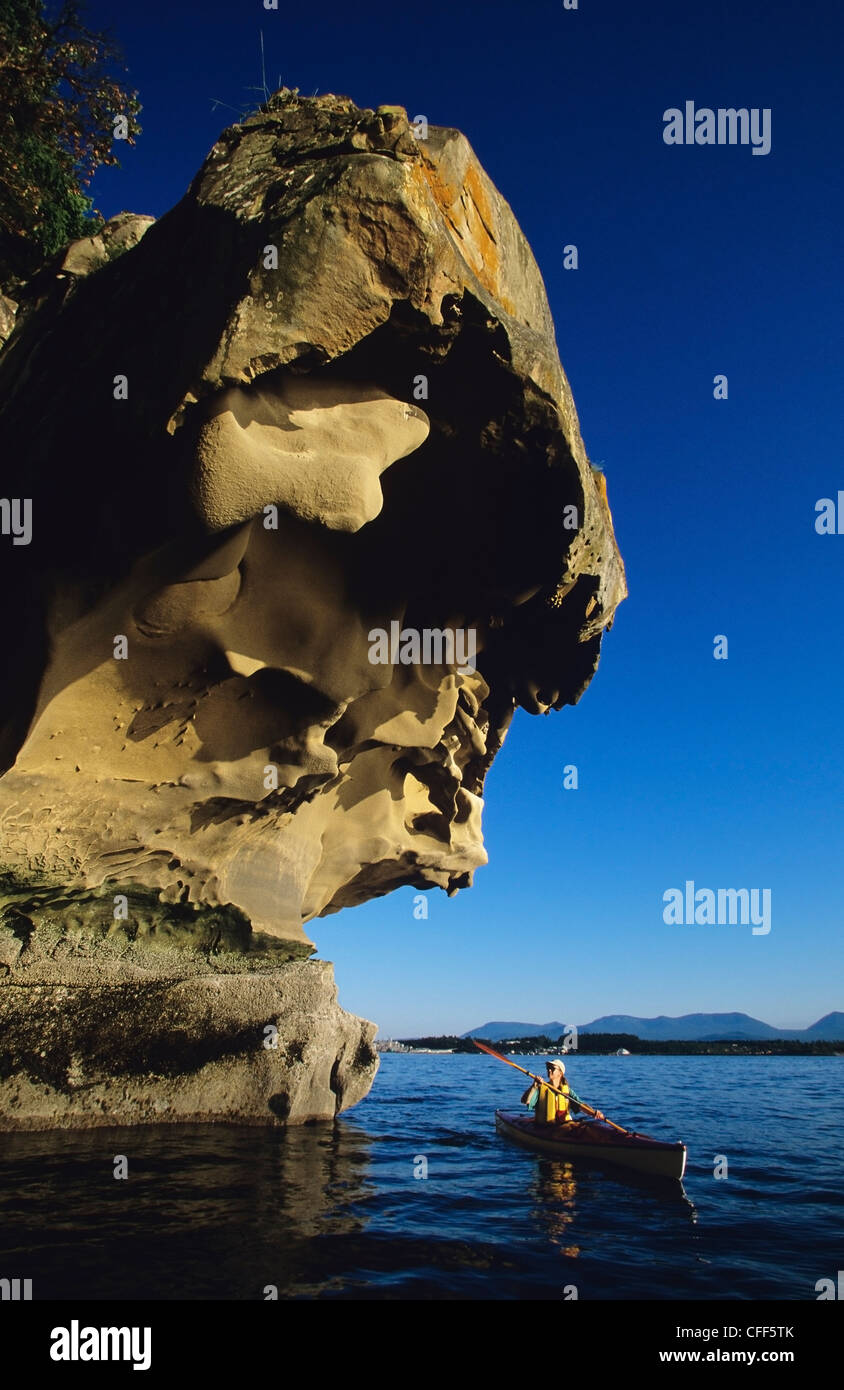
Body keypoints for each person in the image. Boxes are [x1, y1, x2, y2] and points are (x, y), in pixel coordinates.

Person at [521, 1058, 602, 1126]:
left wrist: (593, 1113)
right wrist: (534, 1087)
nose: (549, 1070)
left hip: (563, 1126)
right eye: (548, 1068)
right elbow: (525, 1101)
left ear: (560, 1073)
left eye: (552, 1068)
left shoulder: (567, 1091)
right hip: (545, 1128)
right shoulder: (540, 1088)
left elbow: (581, 1105)